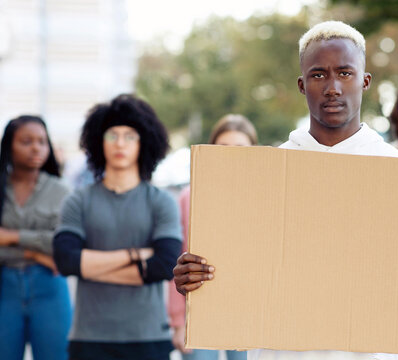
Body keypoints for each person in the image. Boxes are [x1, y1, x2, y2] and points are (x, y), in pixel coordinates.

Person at [174, 21, 398, 360]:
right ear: (302, 85)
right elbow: (237, 274)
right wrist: (200, 280)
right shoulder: (264, 176)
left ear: (365, 82)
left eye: (345, 73)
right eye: (319, 75)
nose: (333, 87)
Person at [53, 94, 182, 360]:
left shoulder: (162, 201)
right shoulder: (78, 200)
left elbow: (165, 265)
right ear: (99, 141)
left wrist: (88, 268)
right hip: (89, 337)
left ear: (143, 142)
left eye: (129, 136)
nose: (120, 143)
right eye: (112, 135)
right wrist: (136, 255)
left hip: (149, 337)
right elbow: (66, 261)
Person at [168, 114, 257, 360]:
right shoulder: (189, 196)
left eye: (240, 148)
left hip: (245, 310)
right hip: (198, 308)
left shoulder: (261, 197)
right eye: (223, 148)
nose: (230, 154)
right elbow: (178, 259)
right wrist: (177, 321)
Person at [0, 116, 71, 360]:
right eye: (26, 141)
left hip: (49, 288)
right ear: (9, 145)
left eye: (42, 141)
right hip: (4, 285)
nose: (36, 148)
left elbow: (63, 245)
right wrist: (35, 252)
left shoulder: (62, 191)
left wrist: (11, 236)